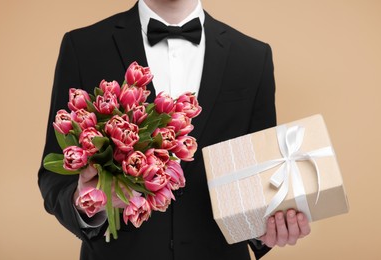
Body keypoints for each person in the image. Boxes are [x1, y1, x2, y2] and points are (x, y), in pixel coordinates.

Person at [38, 0, 311, 259]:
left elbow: (261, 176)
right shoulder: (84, 46)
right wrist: (87, 203)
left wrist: (268, 230)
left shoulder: (253, 56)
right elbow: (54, 174)